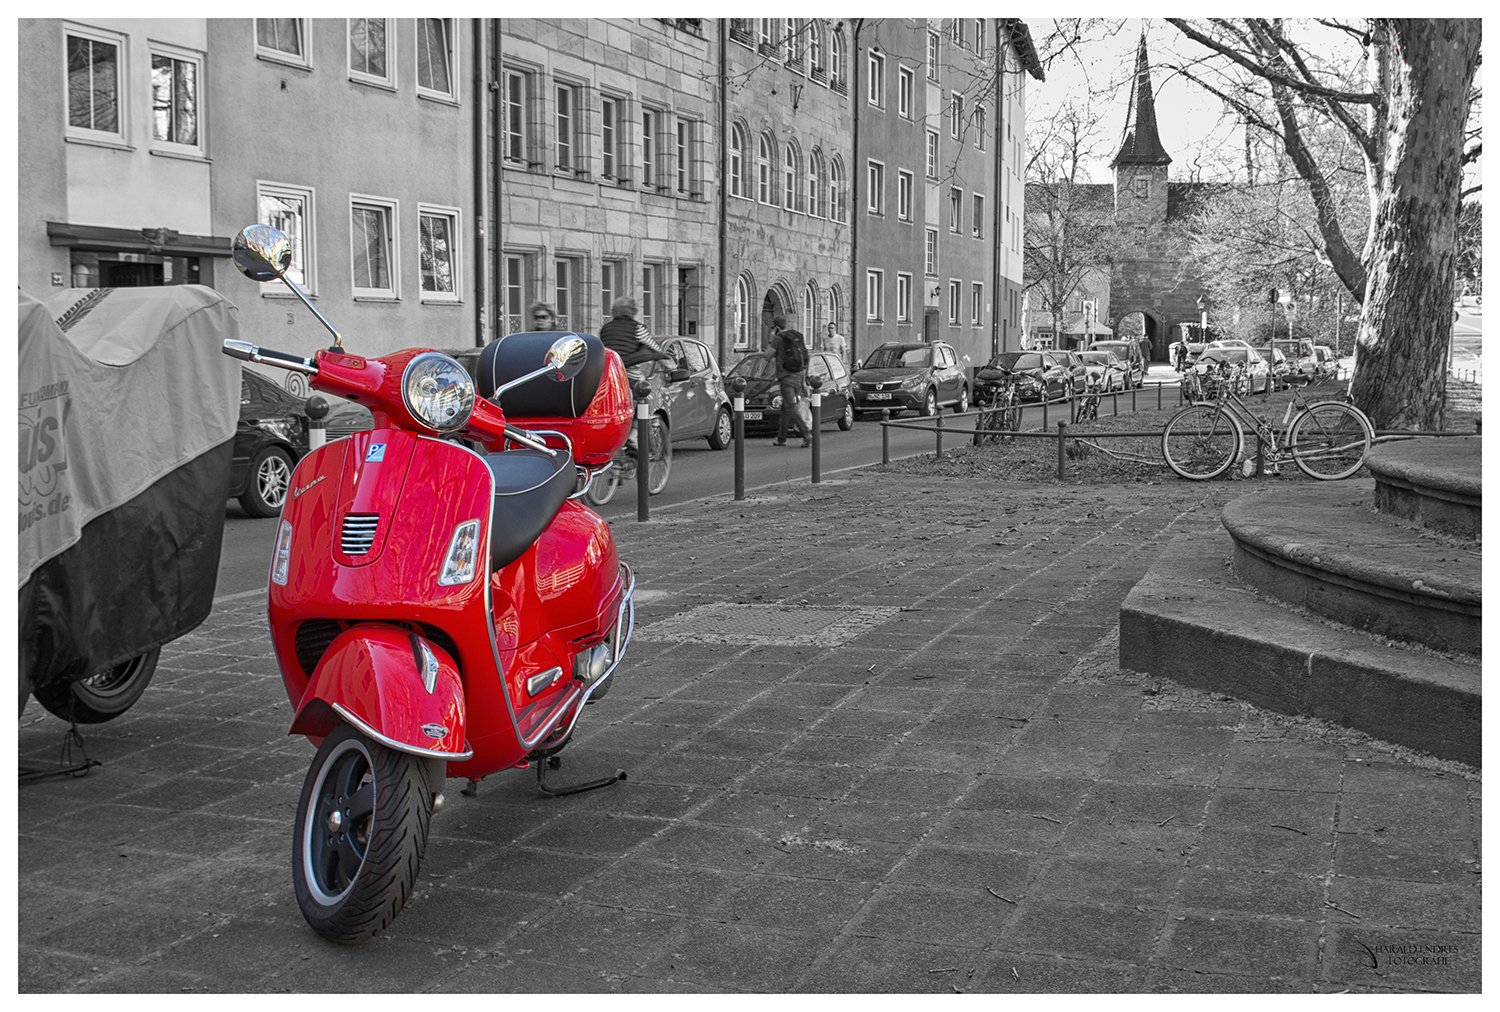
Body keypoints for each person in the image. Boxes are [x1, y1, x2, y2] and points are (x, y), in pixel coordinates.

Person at [768, 316, 811, 448]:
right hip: (798, 376)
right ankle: (781, 438)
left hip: (787, 379)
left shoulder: (778, 339)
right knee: (786, 408)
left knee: (791, 407)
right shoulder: (795, 337)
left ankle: (806, 433)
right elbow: (805, 358)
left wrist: (771, 339)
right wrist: (804, 381)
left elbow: (766, 356)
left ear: (776, 327)